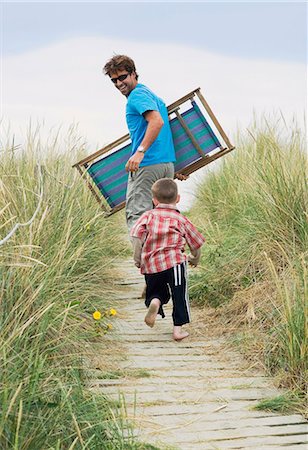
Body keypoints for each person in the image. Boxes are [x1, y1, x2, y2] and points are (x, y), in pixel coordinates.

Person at [103, 54, 185, 232]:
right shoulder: (149, 93)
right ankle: (163, 258)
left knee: (138, 217)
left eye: (122, 77)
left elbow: (157, 121)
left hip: (147, 165)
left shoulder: (137, 96)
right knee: (162, 218)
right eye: (114, 80)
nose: (118, 84)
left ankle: (143, 260)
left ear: (133, 74)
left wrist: (140, 152)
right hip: (166, 165)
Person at [130, 178, 205, 341]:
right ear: (178, 198)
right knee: (179, 294)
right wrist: (194, 259)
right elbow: (196, 242)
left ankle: (155, 303)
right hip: (175, 262)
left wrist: (138, 259)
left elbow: (136, 236)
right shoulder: (181, 219)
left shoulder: (147, 216)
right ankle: (177, 330)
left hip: (152, 264)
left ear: (154, 200)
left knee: (155, 290)